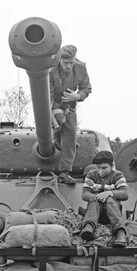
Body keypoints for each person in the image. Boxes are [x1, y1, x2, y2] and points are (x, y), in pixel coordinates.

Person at [50, 45, 92, 184]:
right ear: (59, 59)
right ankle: (56, 142)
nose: (69, 66)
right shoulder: (50, 68)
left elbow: (86, 88)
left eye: (71, 63)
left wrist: (77, 96)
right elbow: (45, 93)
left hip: (70, 105)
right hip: (52, 103)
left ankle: (65, 171)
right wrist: (51, 114)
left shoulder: (80, 68)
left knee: (70, 135)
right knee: (55, 129)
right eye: (65, 62)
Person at [81, 150, 129, 247]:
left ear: (112, 165)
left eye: (104, 168)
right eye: (98, 168)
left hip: (112, 213)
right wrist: (97, 197)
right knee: (94, 200)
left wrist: (109, 193)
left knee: (110, 200)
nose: (100, 171)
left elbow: (124, 194)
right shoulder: (91, 175)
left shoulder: (117, 175)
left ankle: (120, 233)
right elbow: (85, 194)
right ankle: (88, 228)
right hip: (94, 213)